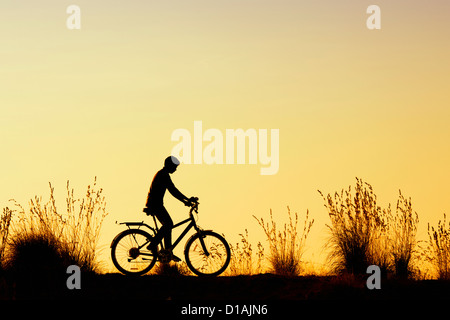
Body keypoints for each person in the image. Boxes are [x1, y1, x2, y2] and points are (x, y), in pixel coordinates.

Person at [144, 156, 195, 262]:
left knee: (168, 225)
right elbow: (173, 190)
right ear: (169, 165)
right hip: (155, 205)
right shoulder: (163, 175)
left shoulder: (163, 174)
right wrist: (186, 200)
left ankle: (168, 252)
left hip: (156, 204)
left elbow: (173, 190)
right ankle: (153, 245)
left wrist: (186, 200)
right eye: (175, 167)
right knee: (168, 224)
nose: (176, 169)